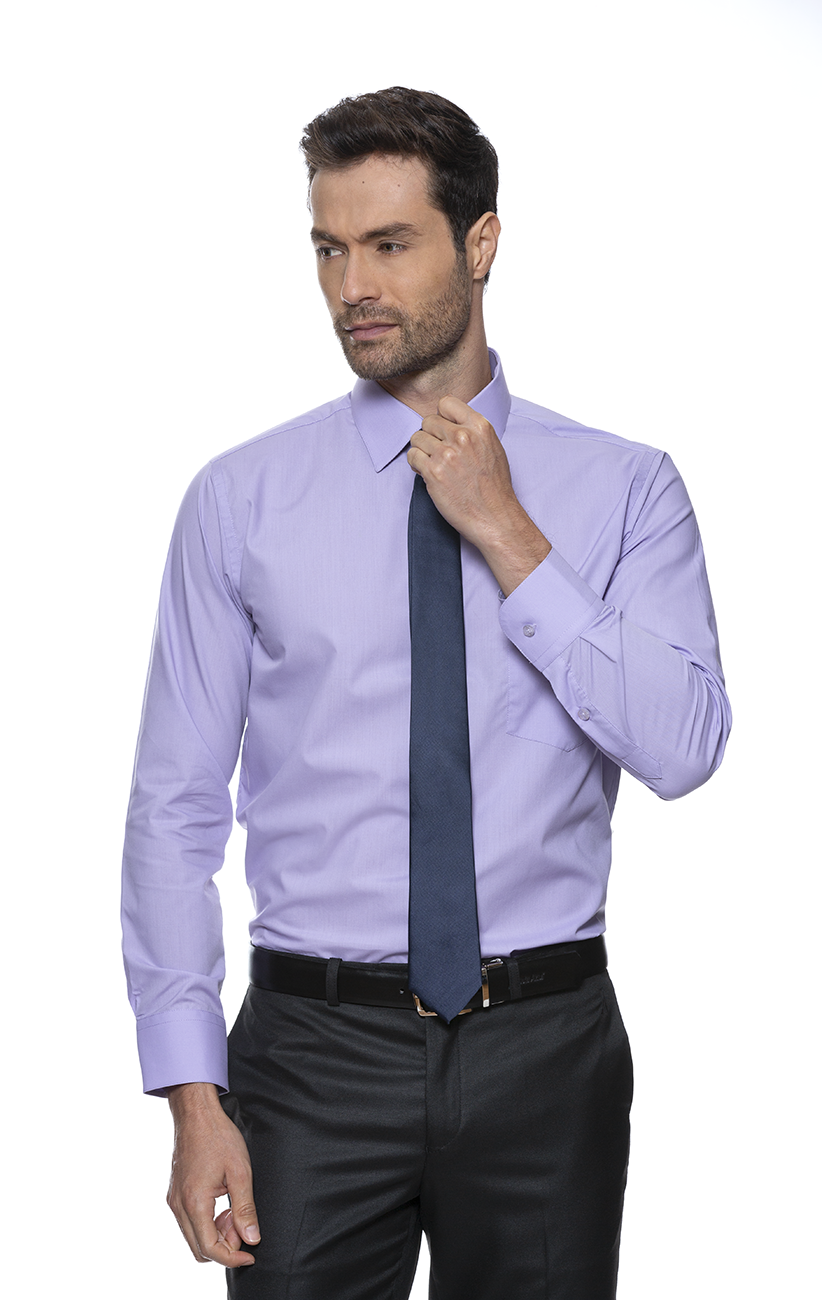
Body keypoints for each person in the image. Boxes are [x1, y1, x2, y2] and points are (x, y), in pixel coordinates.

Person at [121, 87, 731, 1299]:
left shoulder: (625, 489)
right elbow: (173, 808)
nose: (353, 286)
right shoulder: (240, 500)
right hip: (309, 1056)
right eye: (329, 248)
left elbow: (685, 745)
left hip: (545, 1047)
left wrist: (508, 533)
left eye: (390, 244)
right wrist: (191, 1092)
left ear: (480, 243)